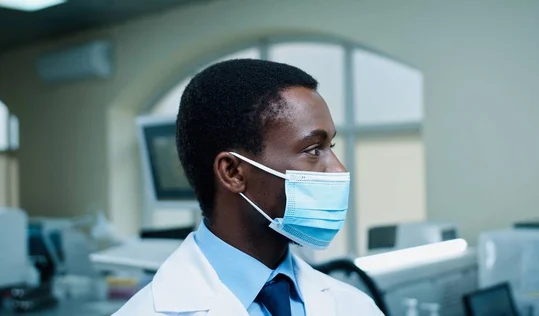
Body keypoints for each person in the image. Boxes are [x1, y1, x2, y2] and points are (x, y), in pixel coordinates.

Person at [114, 59, 384, 316]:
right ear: (232, 172)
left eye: (330, 147)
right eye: (314, 150)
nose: (339, 170)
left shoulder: (355, 306)